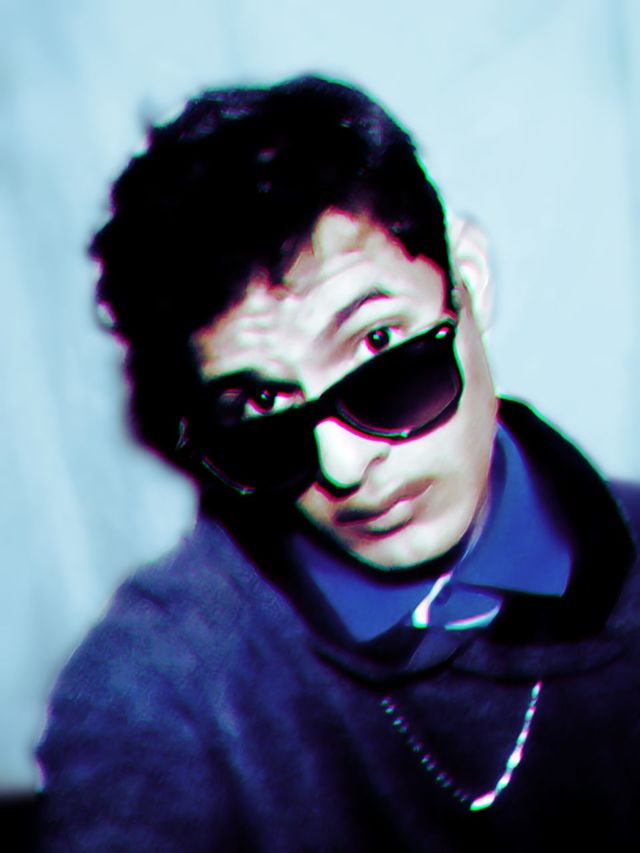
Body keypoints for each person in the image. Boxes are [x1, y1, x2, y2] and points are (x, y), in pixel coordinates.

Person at [37, 75, 640, 851]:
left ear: (468, 280)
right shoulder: (171, 674)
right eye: (263, 402)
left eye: (378, 345)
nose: (344, 466)